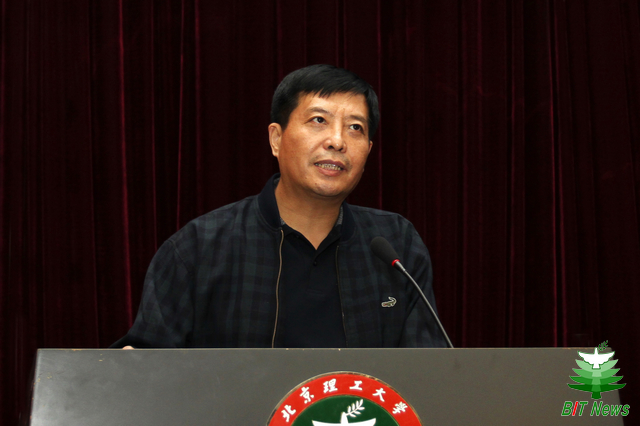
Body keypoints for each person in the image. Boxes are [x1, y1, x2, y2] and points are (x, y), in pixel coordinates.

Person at [112, 64, 446, 349]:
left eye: (355, 128)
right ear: (276, 138)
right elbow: (147, 366)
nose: (337, 141)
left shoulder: (396, 244)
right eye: (319, 120)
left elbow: (429, 373)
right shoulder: (200, 247)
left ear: (368, 151)